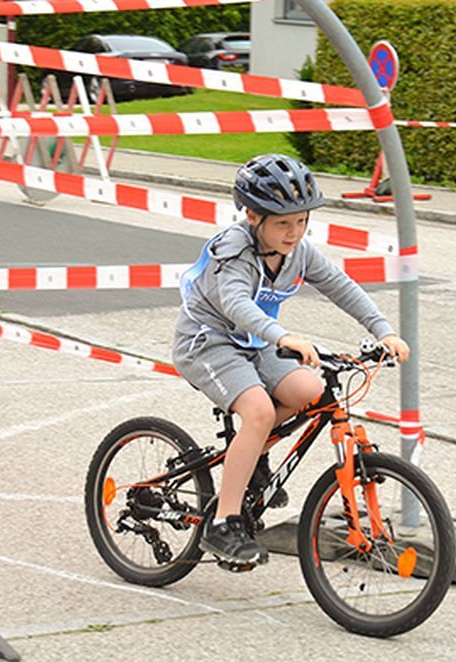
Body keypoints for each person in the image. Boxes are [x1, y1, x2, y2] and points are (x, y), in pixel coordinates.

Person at [173, 153, 410, 569]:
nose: (294, 232)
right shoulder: (234, 250)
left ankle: (252, 454)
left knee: (310, 390)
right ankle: (222, 523)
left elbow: (340, 285)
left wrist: (383, 330)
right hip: (207, 341)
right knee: (260, 412)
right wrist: (283, 336)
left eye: (302, 221)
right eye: (283, 223)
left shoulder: (298, 252)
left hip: (256, 342)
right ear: (253, 216)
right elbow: (236, 304)